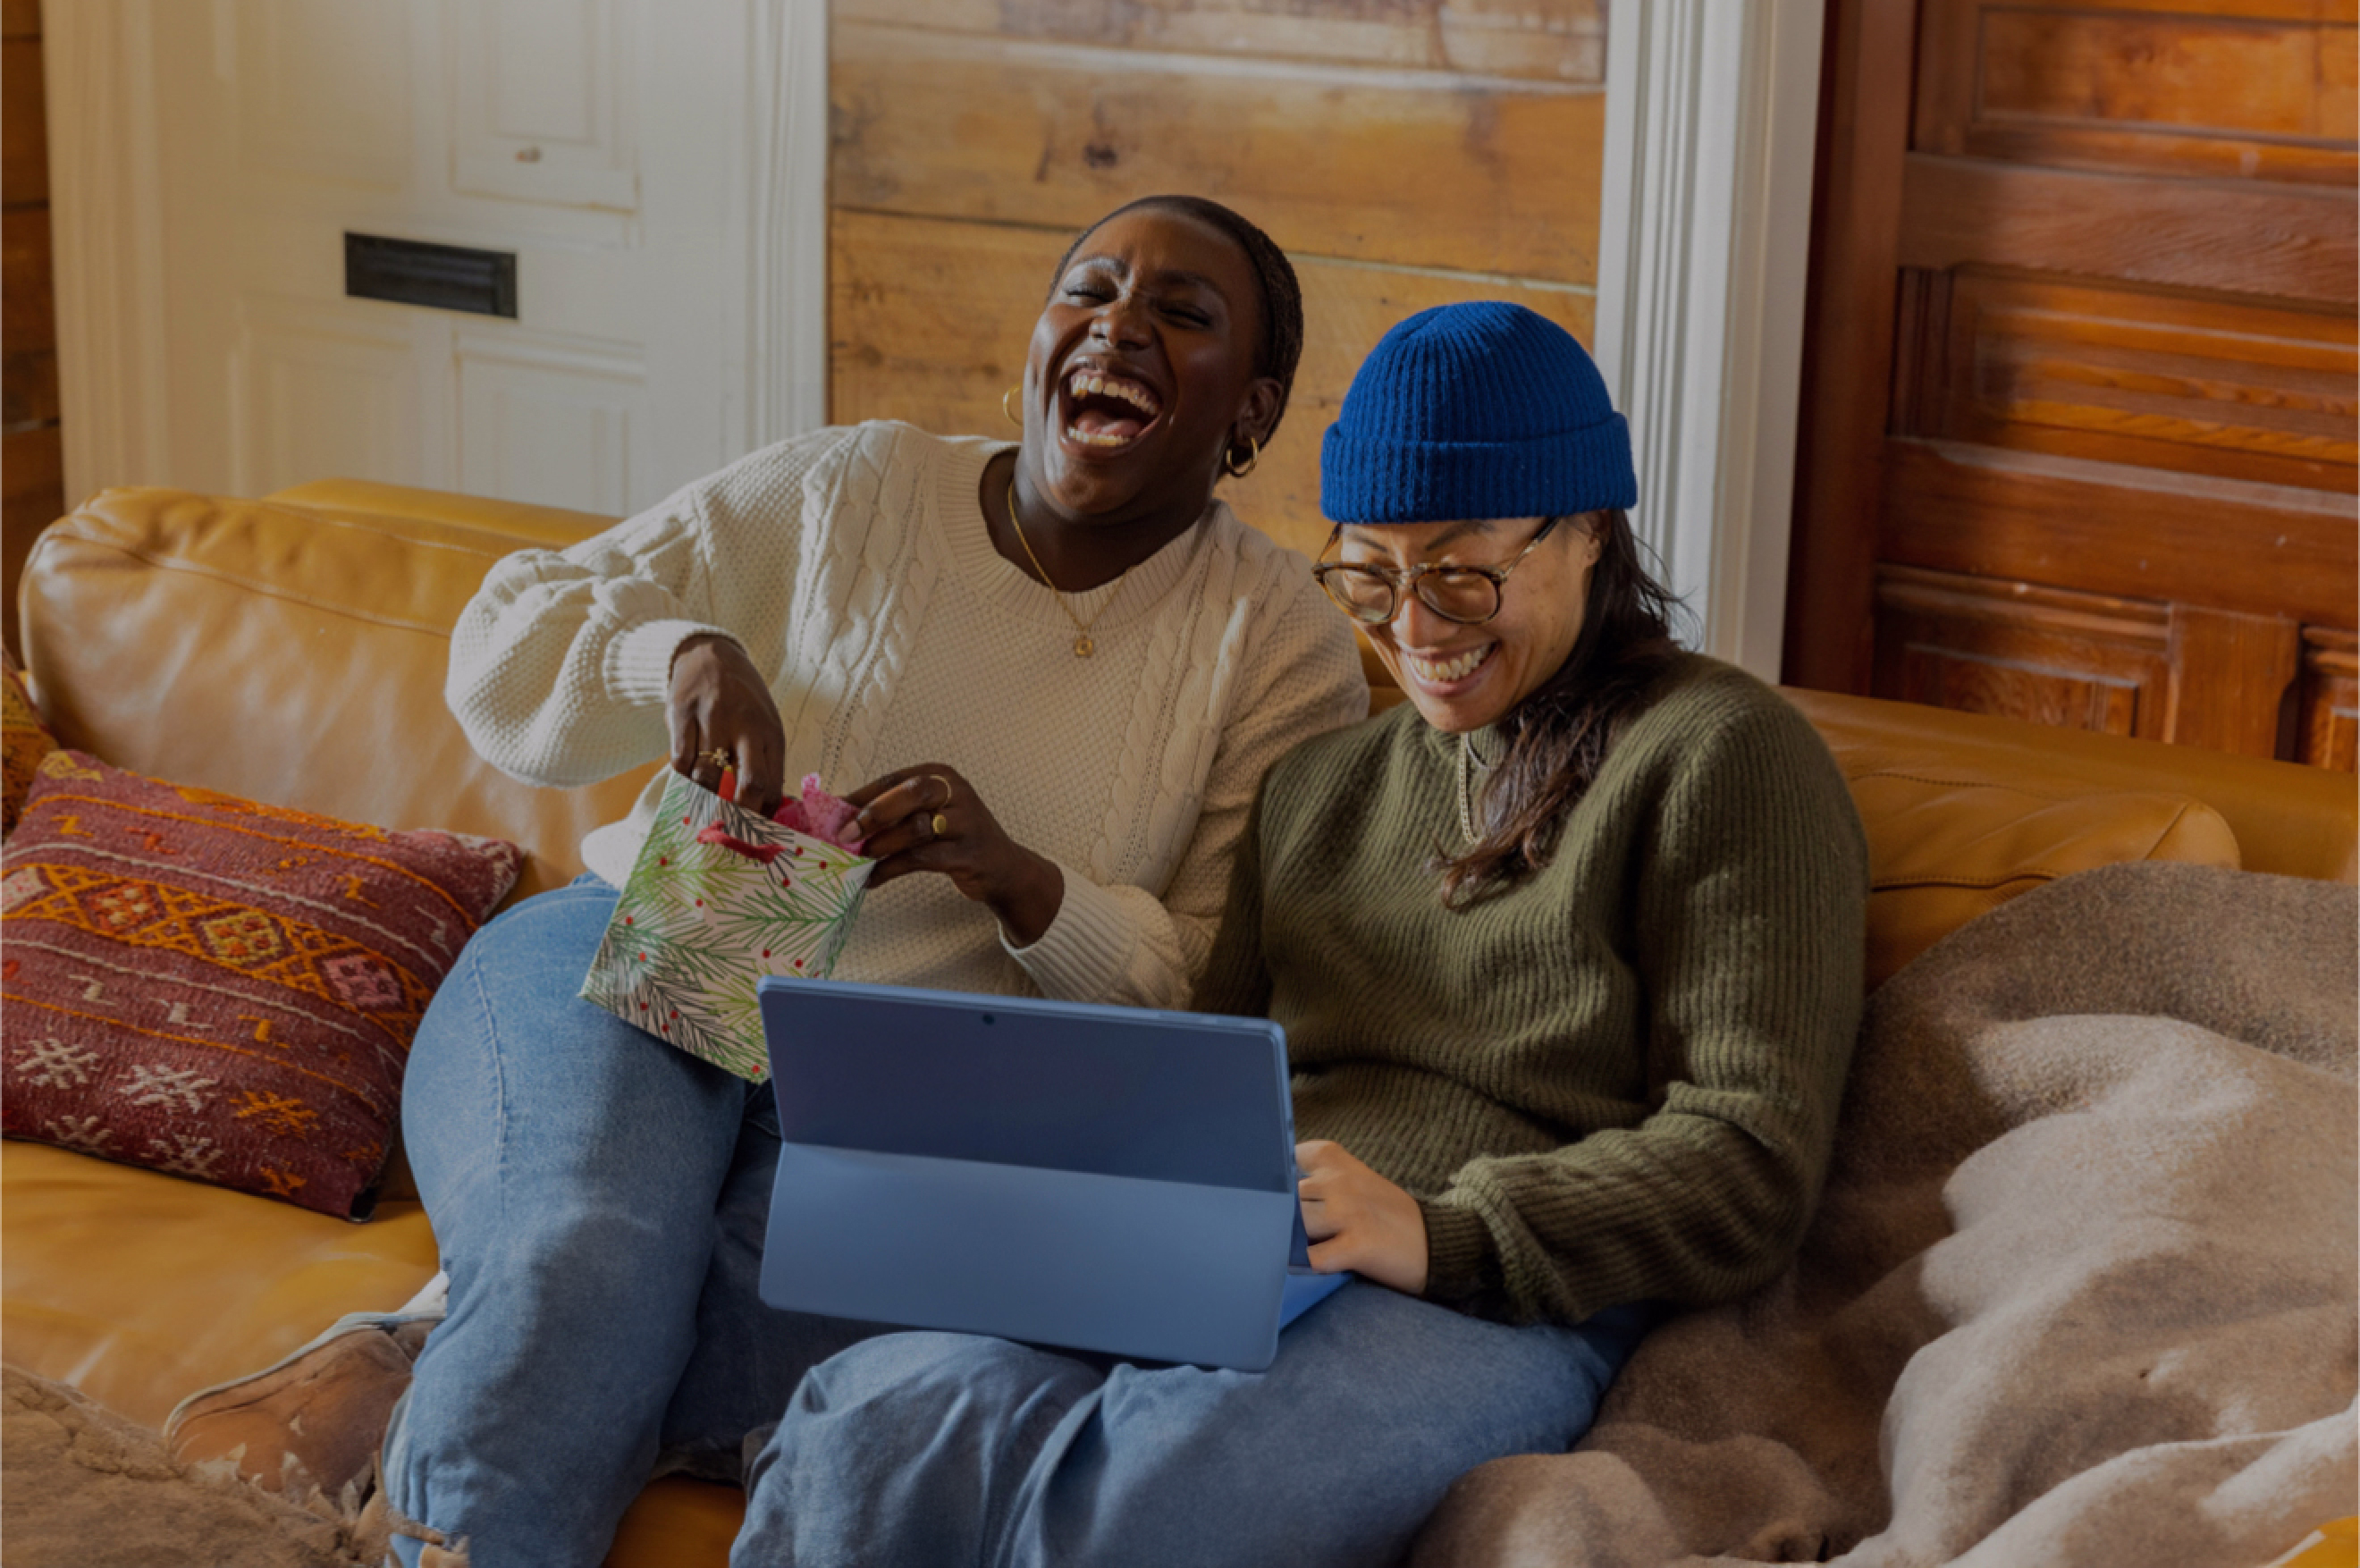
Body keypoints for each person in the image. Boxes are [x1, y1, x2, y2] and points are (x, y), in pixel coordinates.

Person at [165, 196, 1369, 1567]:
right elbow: (505, 643)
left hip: (926, 1092)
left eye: (1182, 314)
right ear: (1035, 347)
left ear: (1251, 411)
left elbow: (1224, 991)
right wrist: (677, 655)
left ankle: (432, 1345)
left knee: (883, 1323)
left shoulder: (1282, 647)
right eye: (1089, 290)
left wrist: (1031, 890)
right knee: (585, 1248)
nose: (1119, 326)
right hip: (659, 943)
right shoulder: (856, 489)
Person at [718, 300, 1872, 1567]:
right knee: (876, 1422)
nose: (1416, 630)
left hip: (1492, 1288)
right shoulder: (1316, 791)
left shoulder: (1723, 755)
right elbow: (1199, 1080)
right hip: (1228, 1246)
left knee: (1153, 1502)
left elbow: (1747, 1158)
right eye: (1371, 573)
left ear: (1590, 527)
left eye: (1463, 572)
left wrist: (1441, 1232)